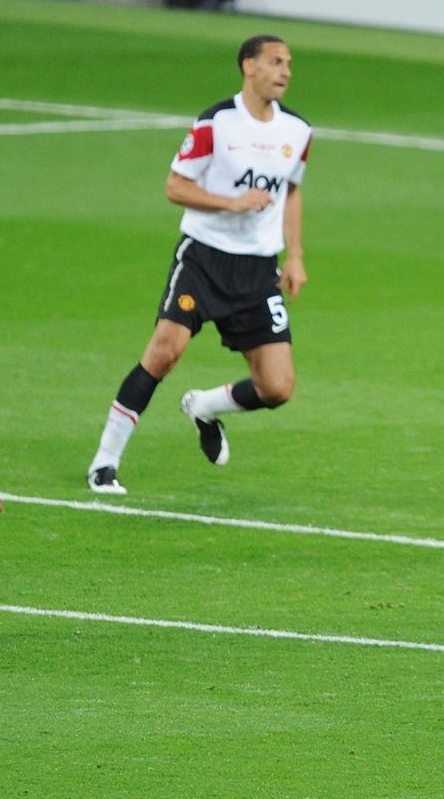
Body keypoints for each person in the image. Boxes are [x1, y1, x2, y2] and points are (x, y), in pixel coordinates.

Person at [86, 34, 310, 494]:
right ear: (249, 67)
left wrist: (296, 255)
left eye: (288, 63)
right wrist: (230, 203)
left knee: (277, 387)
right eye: (275, 62)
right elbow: (175, 186)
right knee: (165, 351)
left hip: (258, 269)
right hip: (204, 258)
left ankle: (205, 407)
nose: (285, 71)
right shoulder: (216, 123)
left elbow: (292, 191)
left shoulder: (298, 131)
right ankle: (104, 463)